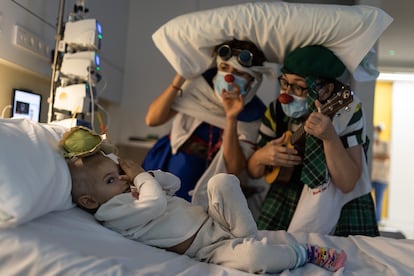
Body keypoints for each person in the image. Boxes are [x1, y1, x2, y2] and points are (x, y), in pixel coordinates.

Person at [67, 151, 347, 274]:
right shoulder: (111, 212)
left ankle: (246, 235)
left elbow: (173, 185)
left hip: (213, 219)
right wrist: (141, 178)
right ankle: (306, 253)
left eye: (117, 173)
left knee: (221, 181)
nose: (121, 179)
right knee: (255, 258)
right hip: (209, 247)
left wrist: (148, 176)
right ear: (90, 201)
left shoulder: (134, 191)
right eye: (110, 180)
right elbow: (155, 204)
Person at [247, 45, 379, 236]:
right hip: (285, 197)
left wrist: (330, 138)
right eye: (284, 83)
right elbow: (252, 171)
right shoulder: (276, 111)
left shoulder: (347, 113)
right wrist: (261, 156)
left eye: (299, 87)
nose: (286, 95)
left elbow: (348, 183)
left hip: (340, 206)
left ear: (326, 90)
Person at [142, 39, 272, 208]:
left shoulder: (253, 115)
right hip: (170, 163)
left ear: (251, 80)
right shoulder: (198, 88)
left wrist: (231, 118)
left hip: (210, 180)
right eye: (224, 68)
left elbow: (233, 169)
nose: (229, 77)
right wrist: (180, 78)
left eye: (239, 72)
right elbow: (152, 119)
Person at [371, 124, 390, 223]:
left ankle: (377, 221)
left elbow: (386, 156)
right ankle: (369, 219)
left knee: (379, 201)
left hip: (381, 178)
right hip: (371, 177)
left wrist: (374, 156)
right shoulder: (370, 144)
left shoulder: (385, 144)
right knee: (368, 200)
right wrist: (378, 156)